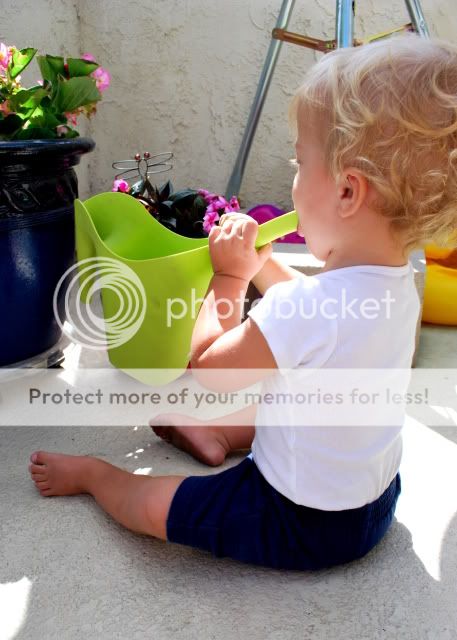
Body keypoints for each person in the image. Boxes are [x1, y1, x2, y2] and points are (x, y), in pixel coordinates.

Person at [29, 33, 457, 570]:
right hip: (376, 499)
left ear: (347, 192)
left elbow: (209, 371)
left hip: (298, 519)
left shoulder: (305, 308)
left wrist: (230, 278)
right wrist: (264, 268)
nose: (293, 178)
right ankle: (215, 435)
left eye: (299, 163)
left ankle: (97, 477)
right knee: (312, 394)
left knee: (153, 504)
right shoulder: (397, 285)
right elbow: (315, 322)